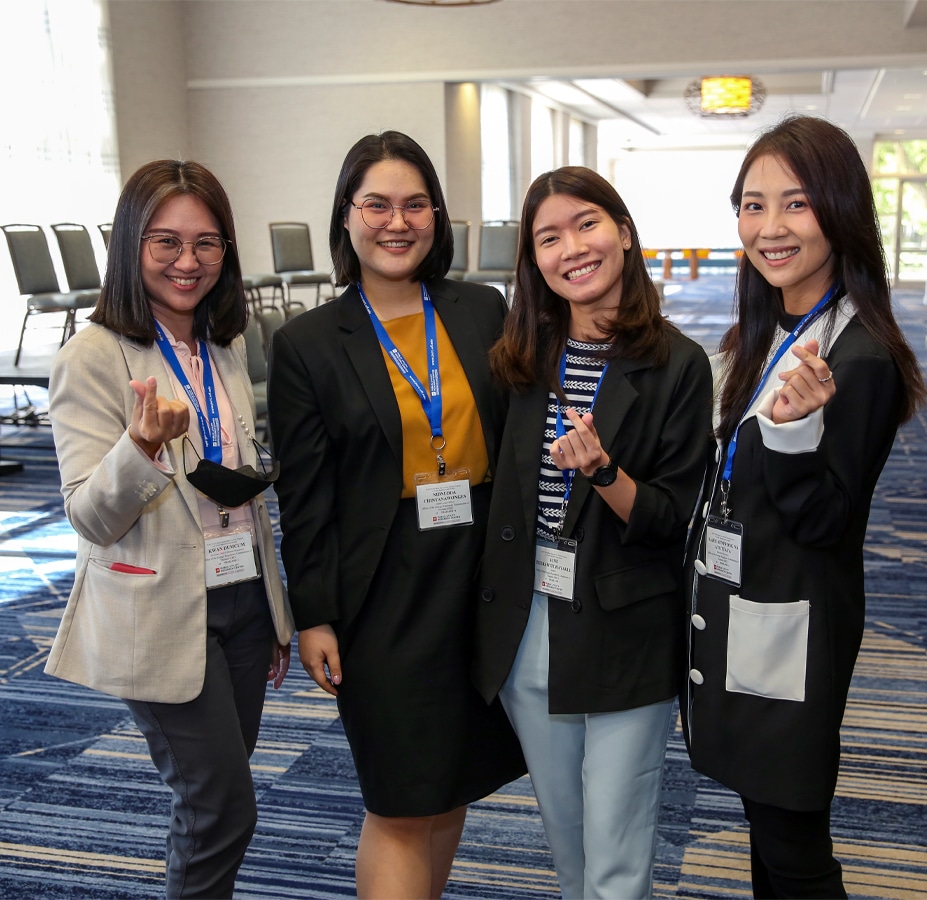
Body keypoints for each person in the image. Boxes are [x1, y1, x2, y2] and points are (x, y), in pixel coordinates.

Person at [267, 131, 525, 899]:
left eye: (416, 203)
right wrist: (314, 613)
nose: (397, 220)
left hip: (479, 576)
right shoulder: (307, 344)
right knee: (402, 797)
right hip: (384, 590)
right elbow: (304, 496)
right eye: (376, 203)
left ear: (437, 217)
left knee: (449, 783)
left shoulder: (482, 310)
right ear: (345, 217)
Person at [683, 116, 927, 897]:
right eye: (752, 206)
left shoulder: (861, 355)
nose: (770, 227)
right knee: (769, 827)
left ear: (840, 208)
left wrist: (793, 435)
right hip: (742, 608)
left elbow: (828, 522)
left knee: (794, 849)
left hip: (793, 629)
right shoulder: (769, 329)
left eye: (794, 204)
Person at [46, 159, 294, 898]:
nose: (189, 262)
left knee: (213, 801)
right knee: (223, 809)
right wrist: (141, 449)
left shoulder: (219, 347)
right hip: (155, 608)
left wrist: (271, 612)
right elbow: (90, 515)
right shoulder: (91, 357)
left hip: (239, 601)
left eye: (207, 243)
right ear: (131, 246)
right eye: (166, 242)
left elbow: (240, 490)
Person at [473, 166, 713, 899]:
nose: (571, 248)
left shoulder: (677, 364)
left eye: (587, 225)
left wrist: (605, 473)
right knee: (568, 843)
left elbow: (672, 518)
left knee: (616, 848)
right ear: (534, 260)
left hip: (624, 629)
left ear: (625, 235)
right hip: (528, 627)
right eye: (549, 237)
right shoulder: (519, 362)